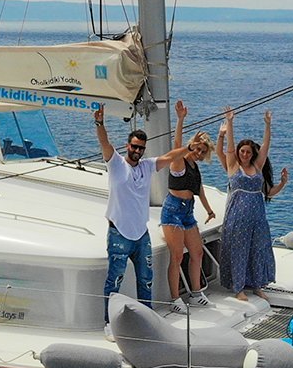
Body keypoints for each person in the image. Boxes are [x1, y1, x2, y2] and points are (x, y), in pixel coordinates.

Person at [93, 107, 172, 323]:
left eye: (141, 148)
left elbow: (169, 158)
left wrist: (190, 149)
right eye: (134, 146)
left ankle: (147, 322)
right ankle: (109, 323)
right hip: (119, 233)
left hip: (141, 234)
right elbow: (105, 144)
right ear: (128, 145)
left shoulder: (147, 166)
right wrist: (100, 124)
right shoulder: (116, 163)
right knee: (114, 280)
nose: (137, 151)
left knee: (146, 280)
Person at [158, 100, 217, 312]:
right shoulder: (179, 161)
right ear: (192, 146)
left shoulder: (194, 166)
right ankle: (174, 299)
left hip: (188, 211)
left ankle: (196, 293)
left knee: (197, 252)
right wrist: (181, 119)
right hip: (173, 211)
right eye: (198, 149)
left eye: (203, 152)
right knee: (176, 256)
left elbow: (198, 188)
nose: (199, 154)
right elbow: (176, 145)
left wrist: (209, 209)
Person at [218, 108, 276, 302]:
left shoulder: (257, 166)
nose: (244, 154)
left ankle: (257, 284)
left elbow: (266, 146)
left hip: (258, 216)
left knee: (257, 248)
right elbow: (229, 147)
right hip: (238, 216)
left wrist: (267, 125)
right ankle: (239, 287)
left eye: (248, 152)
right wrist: (230, 123)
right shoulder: (233, 166)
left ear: (252, 154)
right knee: (239, 250)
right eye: (242, 151)